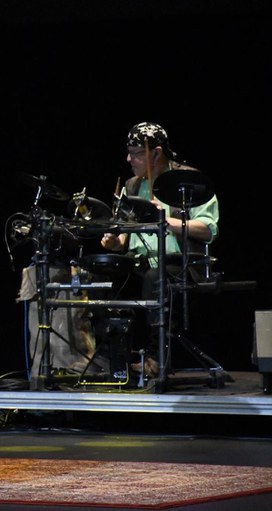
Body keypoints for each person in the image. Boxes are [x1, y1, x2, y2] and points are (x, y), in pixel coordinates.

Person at [100, 121, 219, 378]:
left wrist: (167, 221)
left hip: (181, 265)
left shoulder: (188, 180)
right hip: (140, 262)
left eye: (136, 153)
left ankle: (156, 359)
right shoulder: (132, 186)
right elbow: (125, 234)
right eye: (129, 152)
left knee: (156, 278)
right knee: (102, 274)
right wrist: (115, 242)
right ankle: (112, 358)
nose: (129, 159)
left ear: (156, 153)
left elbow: (208, 230)